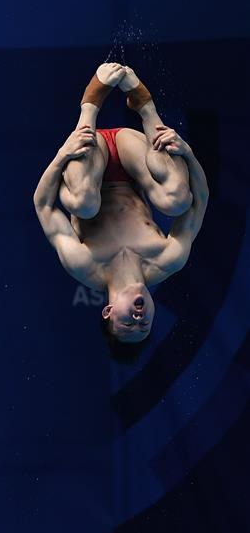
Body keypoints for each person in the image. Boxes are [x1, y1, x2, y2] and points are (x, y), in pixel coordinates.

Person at [33, 63, 208, 357]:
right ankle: (145, 105)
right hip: (134, 157)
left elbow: (43, 206)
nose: (139, 319)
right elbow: (201, 198)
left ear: (108, 311)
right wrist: (186, 152)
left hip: (90, 160)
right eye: (145, 325)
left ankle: (89, 105)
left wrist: (62, 155)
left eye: (127, 324)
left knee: (83, 205)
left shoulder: (83, 264)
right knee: (177, 200)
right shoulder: (169, 259)